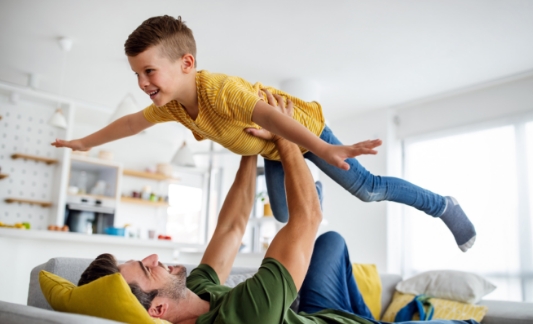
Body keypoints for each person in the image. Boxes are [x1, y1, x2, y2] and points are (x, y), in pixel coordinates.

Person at [52, 15, 475, 252]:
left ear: (185, 63)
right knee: (286, 215)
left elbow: (272, 119)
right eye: (137, 74)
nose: (143, 83)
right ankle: (314, 192)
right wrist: (85, 142)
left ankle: (442, 206)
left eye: (149, 71)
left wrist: (324, 147)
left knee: (367, 189)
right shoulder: (176, 108)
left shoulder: (219, 91)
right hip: (276, 151)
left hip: (303, 130)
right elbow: (132, 122)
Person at [78, 93, 478, 324]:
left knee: (332, 243)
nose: (153, 258)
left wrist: (245, 146)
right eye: (148, 269)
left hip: (317, 312)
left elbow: (232, 227)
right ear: (160, 309)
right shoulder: (244, 318)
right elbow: (309, 218)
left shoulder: (195, 290)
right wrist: (285, 135)